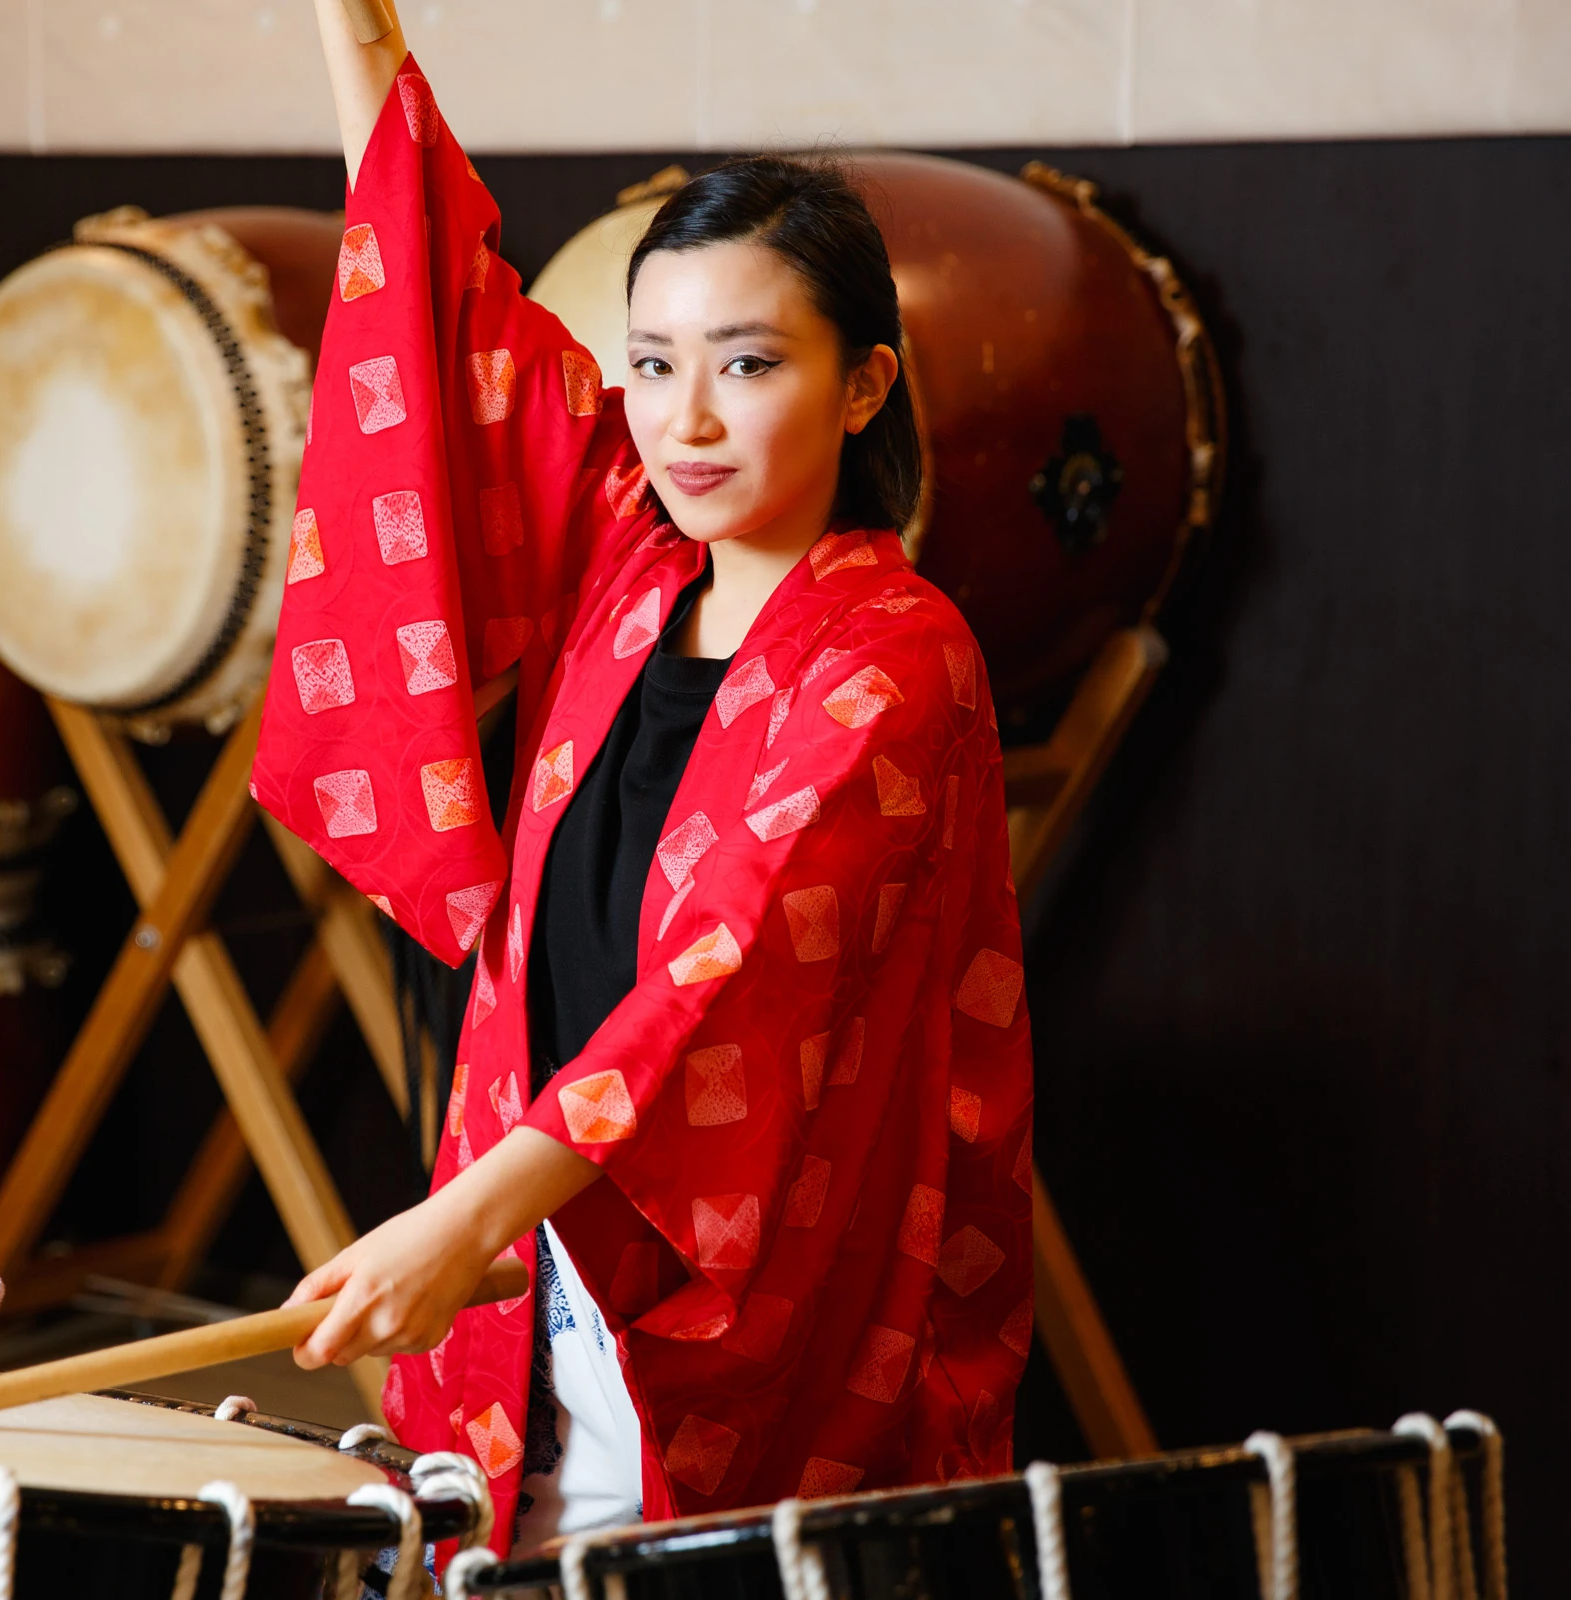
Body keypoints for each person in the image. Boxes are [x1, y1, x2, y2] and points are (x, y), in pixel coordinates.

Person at [254, 0, 1035, 1553]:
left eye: (747, 365)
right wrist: (353, 30)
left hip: (741, 1264)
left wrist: (471, 1209)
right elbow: (439, 301)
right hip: (534, 1219)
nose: (685, 419)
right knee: (495, 1536)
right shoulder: (632, 551)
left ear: (865, 385)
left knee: (670, 1552)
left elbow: (719, 980)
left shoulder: (895, 653)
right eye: (654, 362)